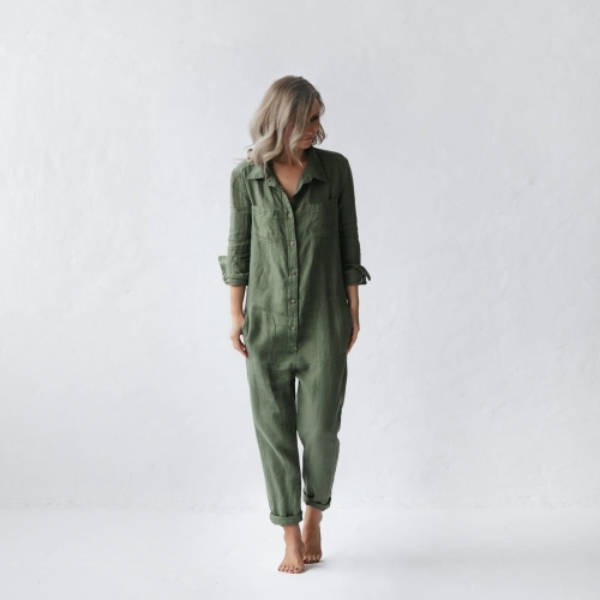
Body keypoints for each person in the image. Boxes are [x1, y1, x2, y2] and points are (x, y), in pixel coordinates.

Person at [218, 75, 371, 574]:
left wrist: (353, 309)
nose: (316, 128)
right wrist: (236, 314)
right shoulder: (247, 178)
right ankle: (288, 533)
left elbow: (349, 242)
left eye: (318, 117)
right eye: (307, 119)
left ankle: (314, 516)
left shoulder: (335, 170)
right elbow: (239, 249)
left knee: (321, 430)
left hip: (324, 321)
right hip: (265, 323)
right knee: (274, 432)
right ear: (281, 120)